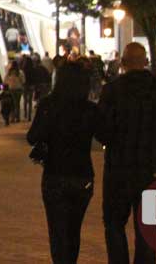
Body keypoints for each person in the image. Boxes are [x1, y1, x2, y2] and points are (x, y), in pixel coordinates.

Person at [96, 42, 156, 264]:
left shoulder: (112, 90)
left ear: (123, 63)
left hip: (118, 169)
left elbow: (102, 130)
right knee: (147, 230)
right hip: (152, 169)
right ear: (146, 62)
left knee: (114, 224)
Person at [27, 61, 100, 264]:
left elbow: (32, 137)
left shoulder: (49, 105)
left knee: (58, 232)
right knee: (73, 231)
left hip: (55, 174)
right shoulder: (90, 109)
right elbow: (104, 135)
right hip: (83, 175)